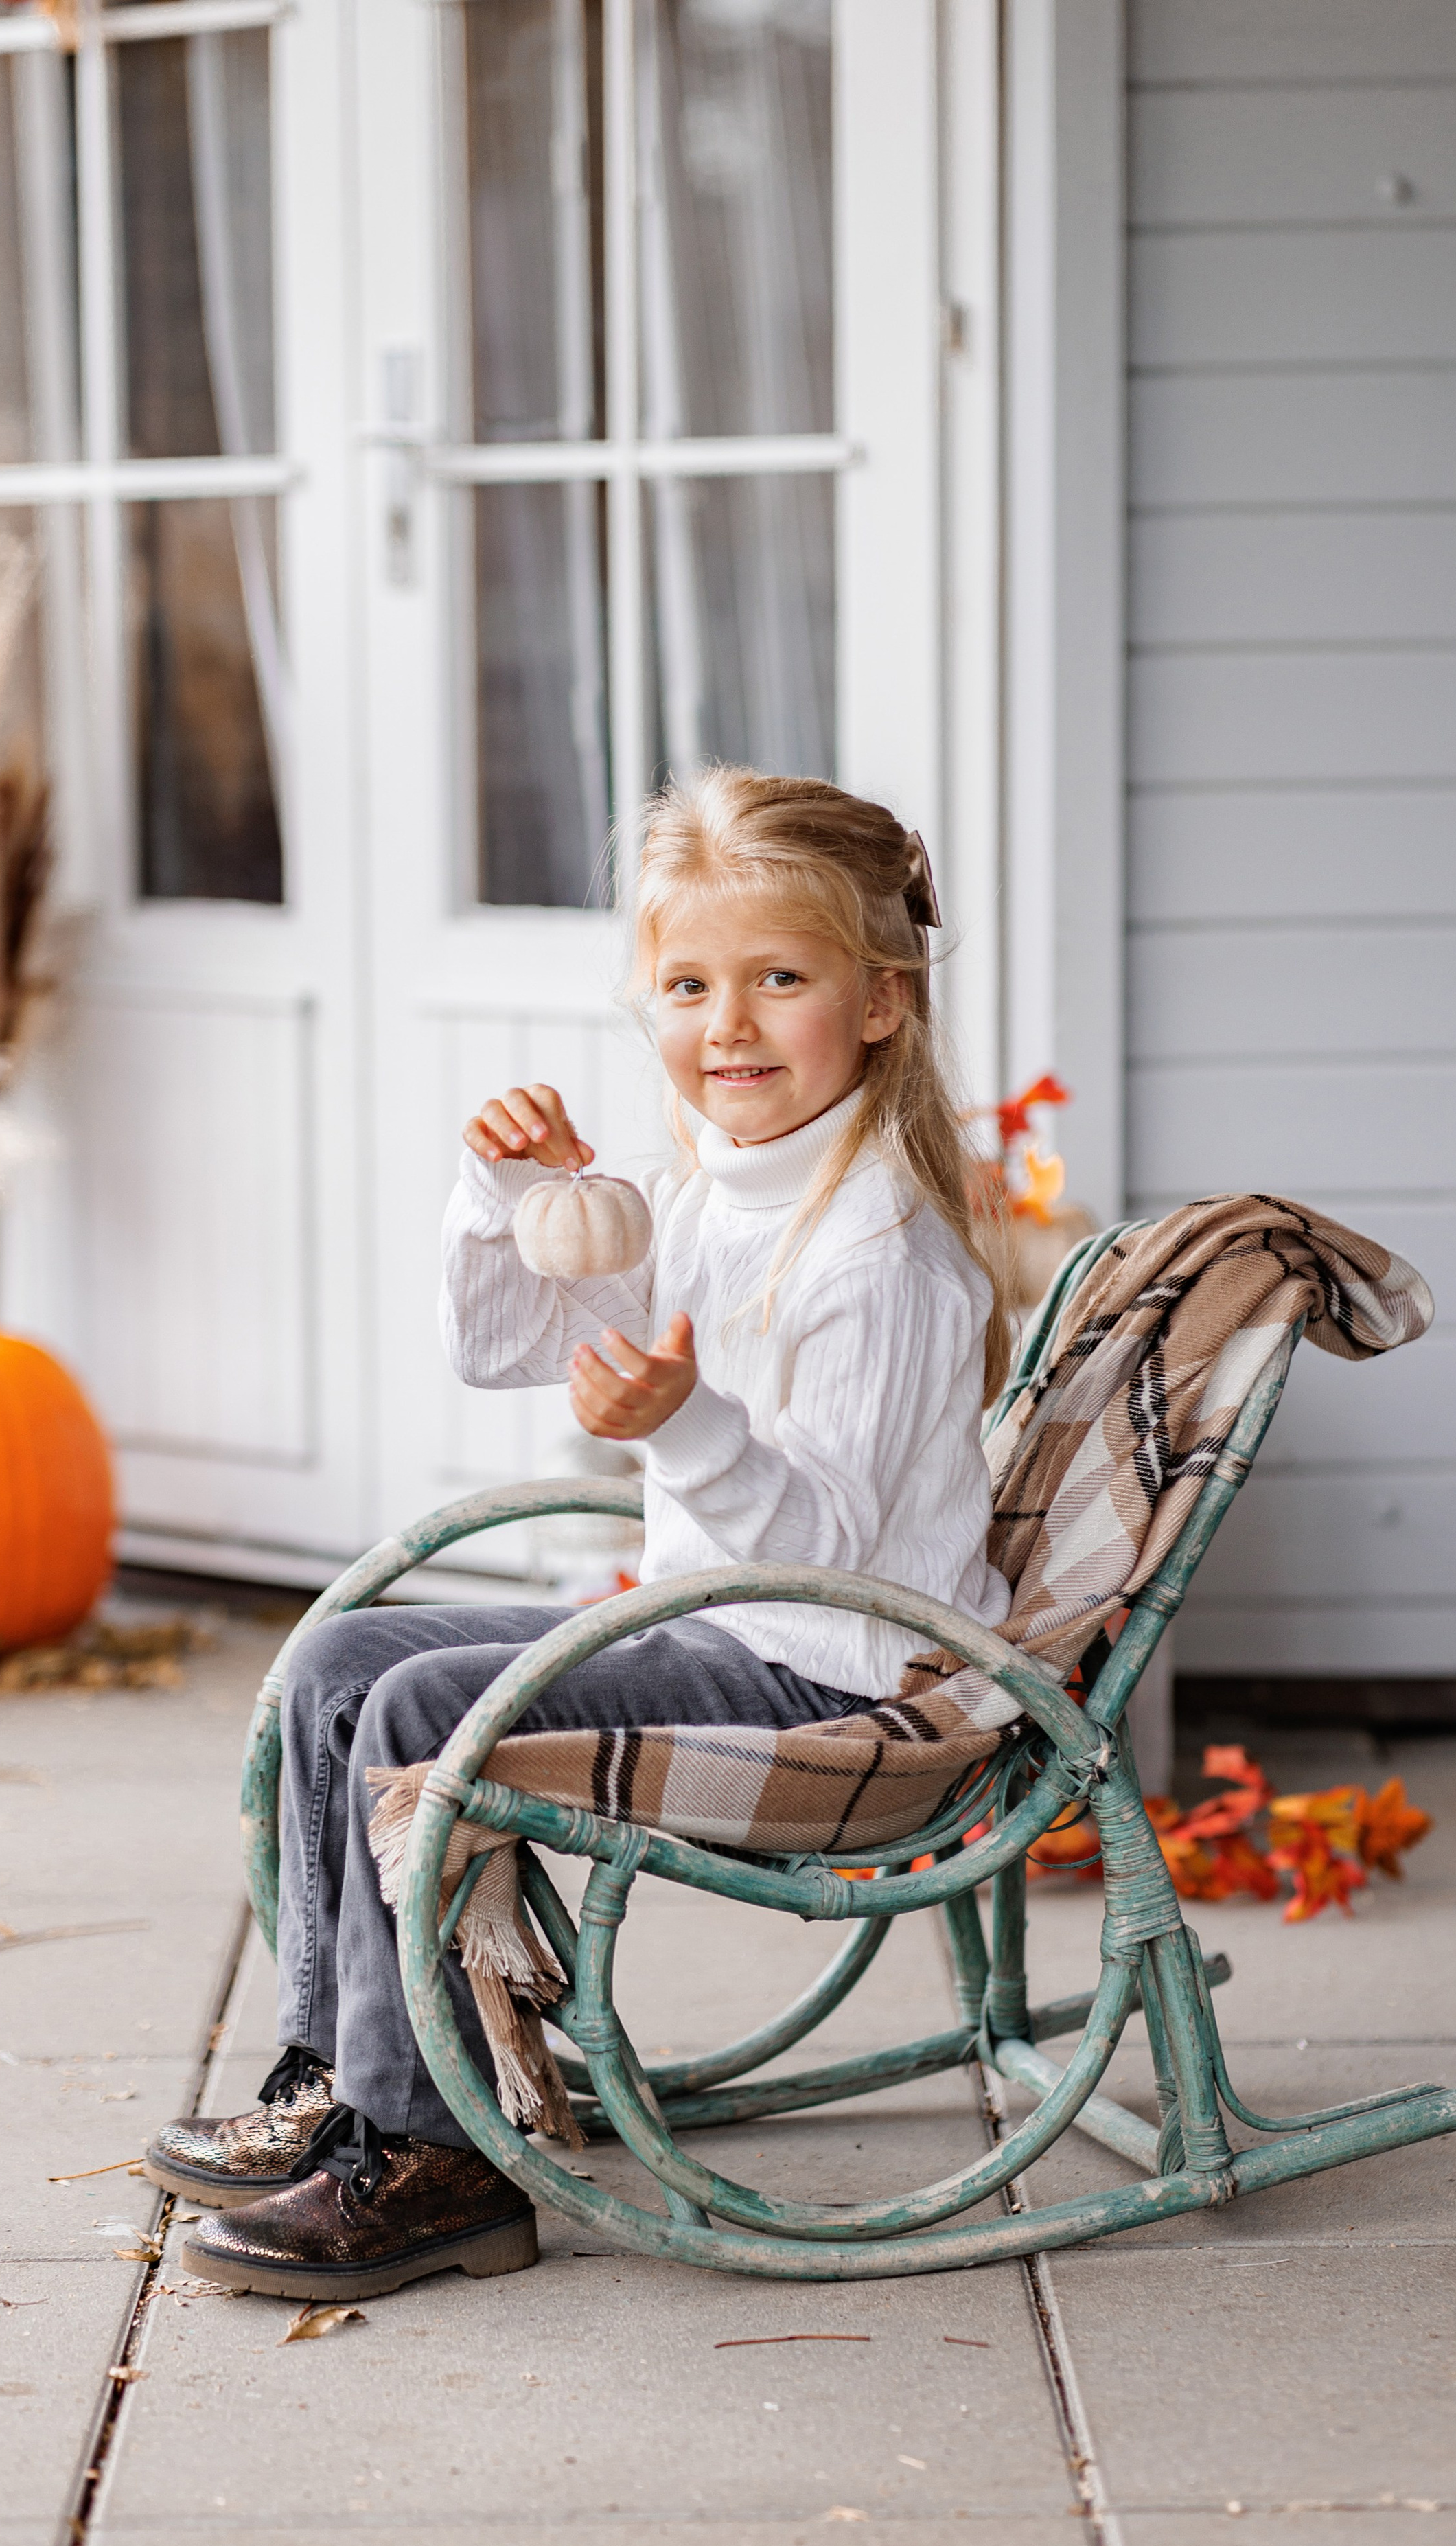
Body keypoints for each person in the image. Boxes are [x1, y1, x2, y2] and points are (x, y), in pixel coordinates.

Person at [146, 767, 1013, 2301]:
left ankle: (436, 2164)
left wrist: (684, 1422)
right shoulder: (704, 1197)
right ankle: (335, 2070)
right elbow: (499, 1349)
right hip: (720, 1627)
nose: (725, 1025)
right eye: (687, 982)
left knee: (425, 1708)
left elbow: (831, 1546)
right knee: (344, 1655)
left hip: (848, 1679)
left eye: (777, 979)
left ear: (879, 1002)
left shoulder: (882, 1252)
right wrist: (504, 1201)